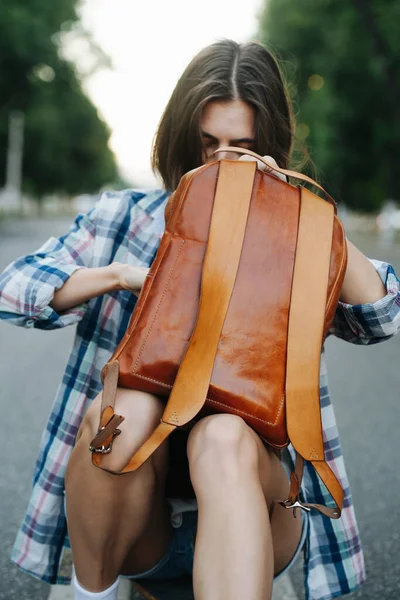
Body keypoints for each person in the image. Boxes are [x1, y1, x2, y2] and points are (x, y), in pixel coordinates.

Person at [0, 39, 399, 600]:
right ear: (183, 137)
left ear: (271, 149)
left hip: (258, 515)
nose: (223, 161)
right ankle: (93, 593)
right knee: (126, 408)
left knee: (226, 435)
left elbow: (380, 315)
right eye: (208, 144)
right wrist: (122, 276)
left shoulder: (295, 236)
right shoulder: (127, 216)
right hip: (134, 526)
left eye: (244, 147)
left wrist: (303, 211)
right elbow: (15, 290)